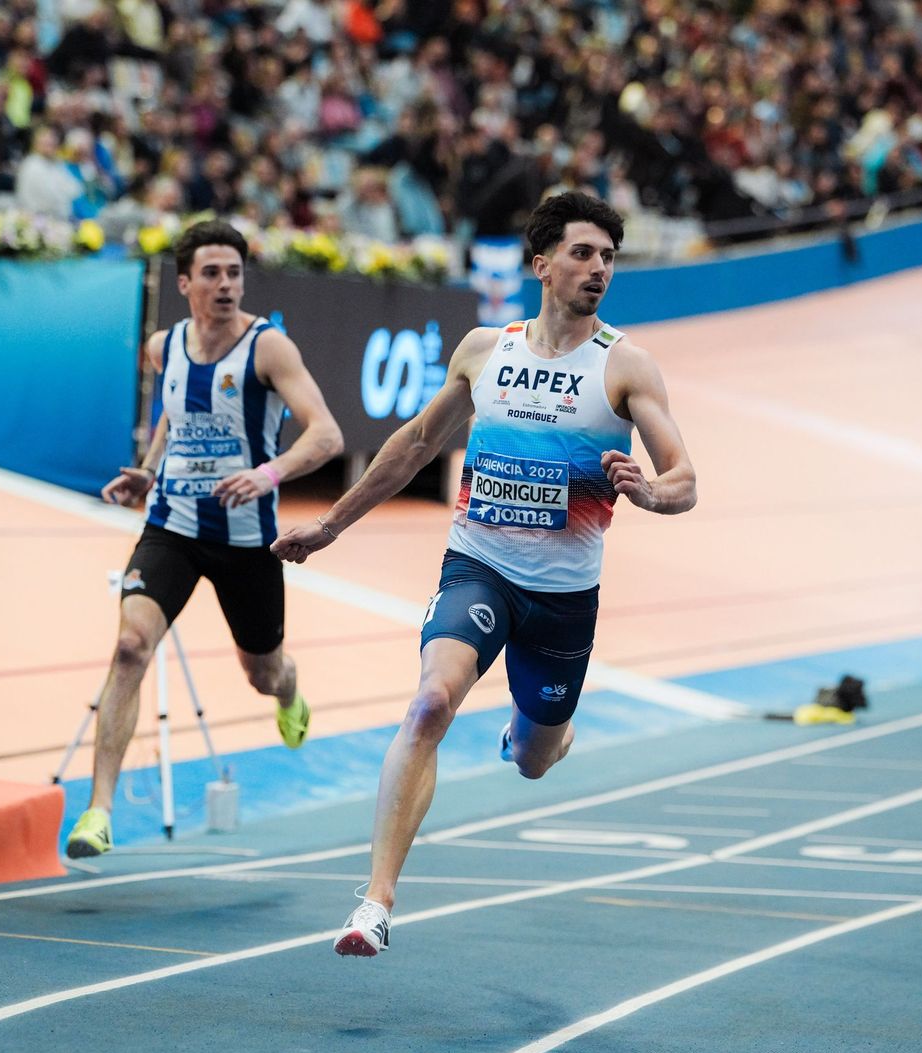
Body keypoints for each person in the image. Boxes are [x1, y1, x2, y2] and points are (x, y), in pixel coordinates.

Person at [270, 191, 697, 956]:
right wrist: (331, 526)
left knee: (536, 759)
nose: (598, 268)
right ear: (541, 265)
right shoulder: (483, 350)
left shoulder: (625, 366)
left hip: (564, 598)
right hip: (480, 566)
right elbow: (410, 446)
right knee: (430, 704)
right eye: (582, 253)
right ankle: (375, 902)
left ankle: (534, 733)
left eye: (608, 257)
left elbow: (685, 480)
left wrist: (648, 491)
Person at [64, 220, 344, 858]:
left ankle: (290, 687)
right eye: (211, 273)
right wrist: (151, 468)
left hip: (247, 541)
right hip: (172, 526)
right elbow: (172, 407)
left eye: (234, 273)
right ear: (184, 282)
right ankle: (98, 813)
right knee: (131, 647)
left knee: (262, 673)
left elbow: (325, 435)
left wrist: (266, 473)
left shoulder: (269, 349)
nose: (225, 284)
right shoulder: (164, 347)